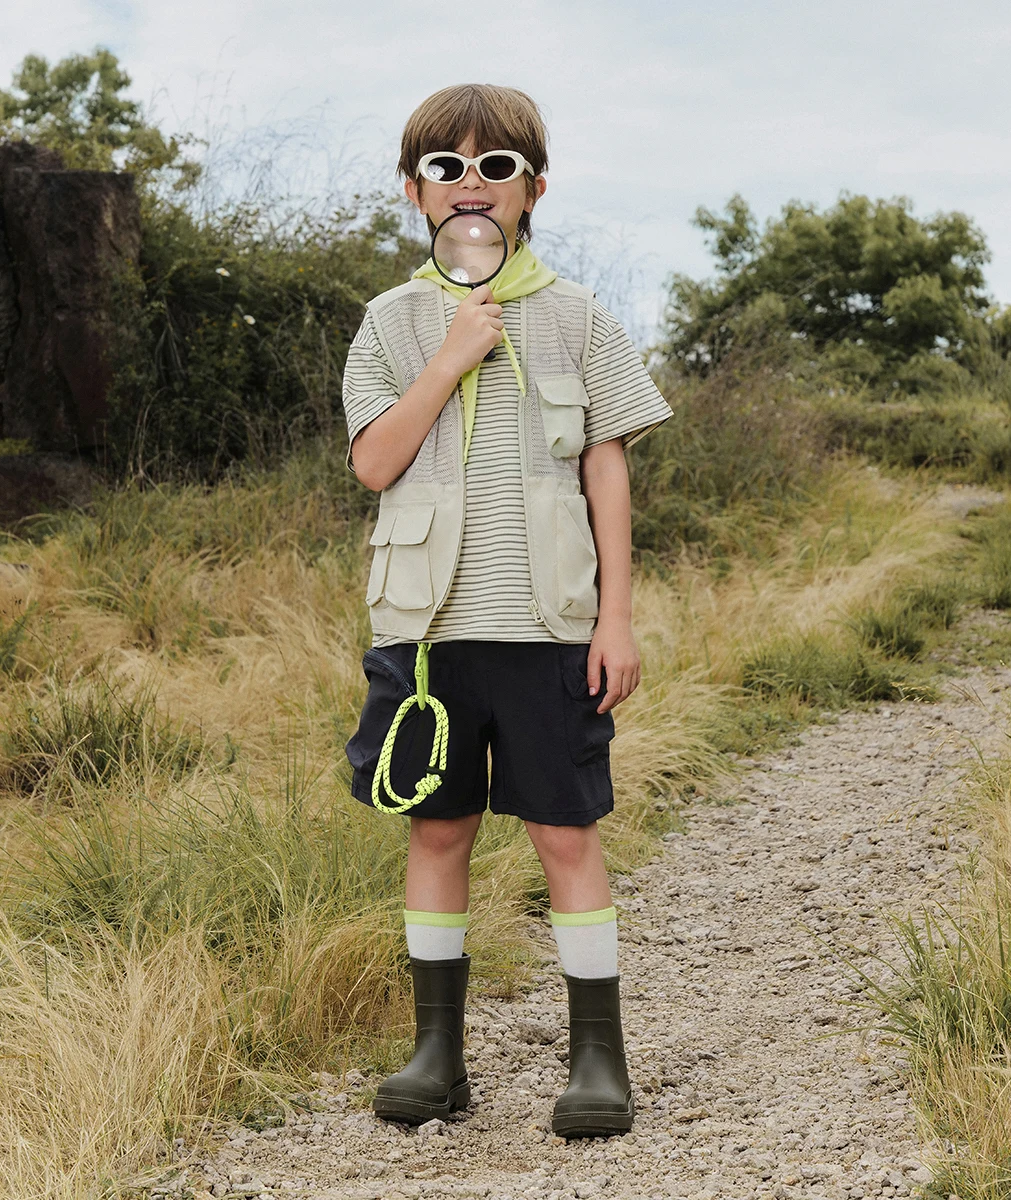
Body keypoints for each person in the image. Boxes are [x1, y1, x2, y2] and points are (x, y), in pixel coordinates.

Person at [342, 84, 672, 1139]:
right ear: (413, 191)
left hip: (548, 626)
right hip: (426, 633)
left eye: (496, 169)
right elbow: (375, 462)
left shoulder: (578, 316)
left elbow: (608, 472)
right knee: (438, 830)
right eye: (448, 169)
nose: (471, 188)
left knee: (563, 832)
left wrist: (615, 618)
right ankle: (438, 1057)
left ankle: (597, 1062)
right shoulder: (389, 324)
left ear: (533, 190)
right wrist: (449, 356)